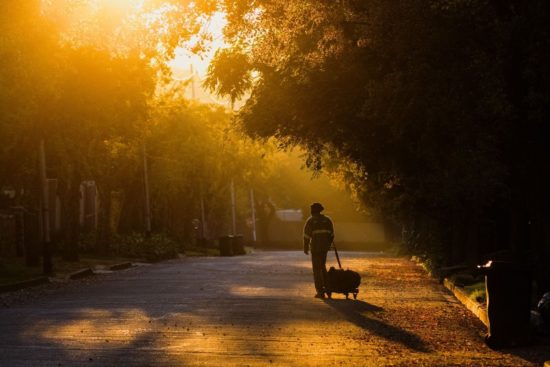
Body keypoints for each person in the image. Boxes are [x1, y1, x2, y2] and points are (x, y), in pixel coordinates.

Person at [303, 202, 334, 298]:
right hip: (324, 248)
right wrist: (328, 244)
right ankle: (328, 289)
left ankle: (320, 292)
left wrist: (305, 247)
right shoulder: (328, 220)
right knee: (322, 267)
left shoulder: (311, 221)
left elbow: (306, 236)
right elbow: (332, 235)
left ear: (313, 211)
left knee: (317, 269)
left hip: (315, 248)